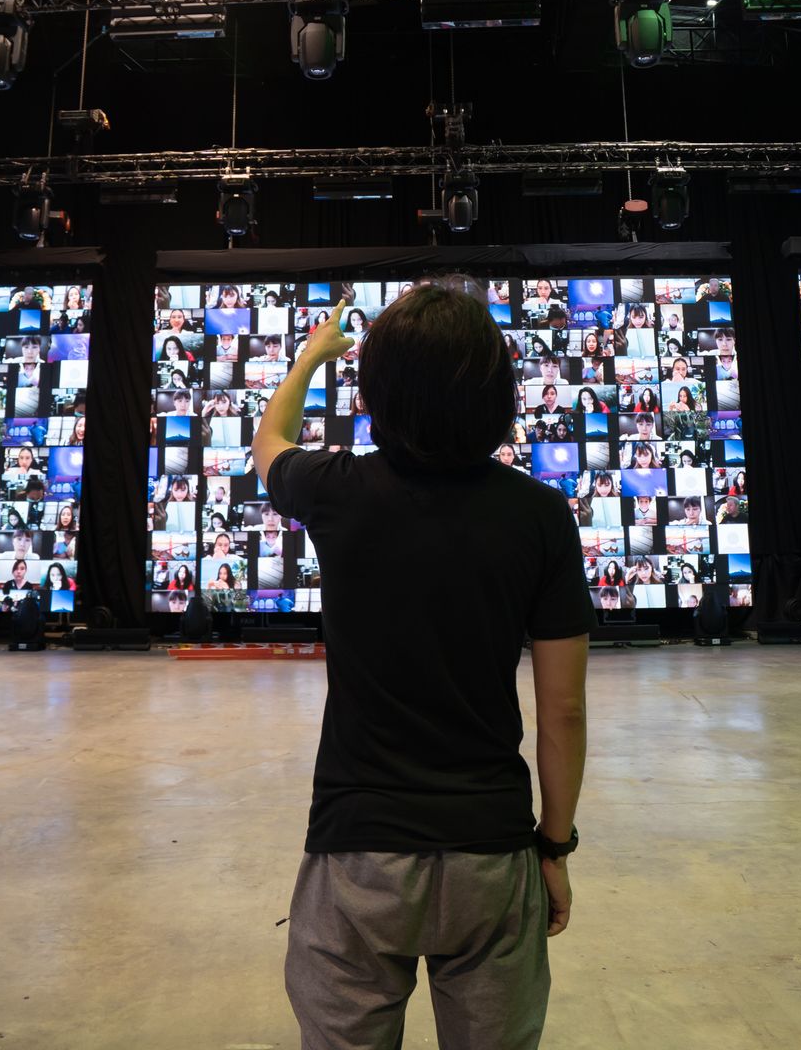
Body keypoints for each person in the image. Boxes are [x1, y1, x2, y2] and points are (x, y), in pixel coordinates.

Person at [252, 285, 591, 1048]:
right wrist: (555, 848)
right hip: (492, 853)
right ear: (498, 393)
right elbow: (563, 711)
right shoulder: (539, 516)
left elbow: (269, 439)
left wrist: (309, 360)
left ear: (375, 394)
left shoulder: (336, 490)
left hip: (357, 853)